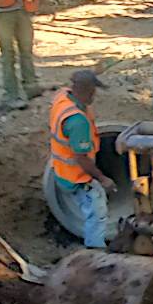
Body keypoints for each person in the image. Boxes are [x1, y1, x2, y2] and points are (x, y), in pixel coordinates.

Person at [49, 69, 117, 249]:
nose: (94, 95)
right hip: (76, 176)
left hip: (61, 168)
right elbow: (81, 158)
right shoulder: (77, 121)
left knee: (92, 207)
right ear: (87, 90)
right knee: (97, 210)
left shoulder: (63, 98)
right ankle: (95, 250)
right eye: (93, 90)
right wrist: (102, 178)